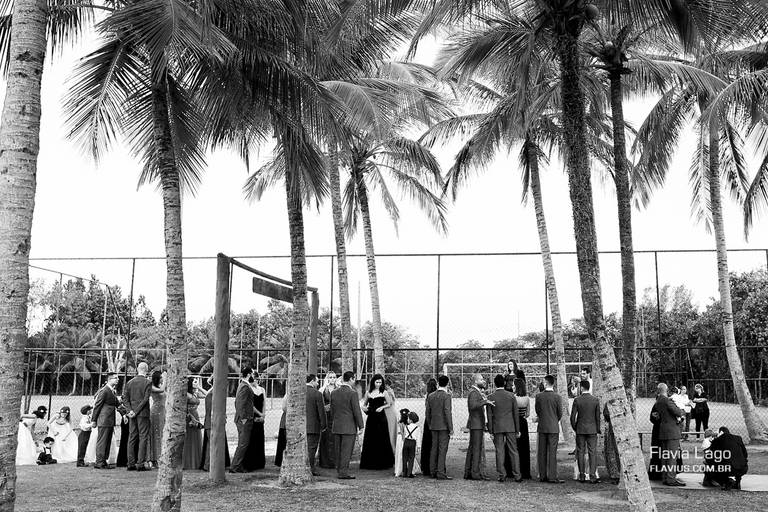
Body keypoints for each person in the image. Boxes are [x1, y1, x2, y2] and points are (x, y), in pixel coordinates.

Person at [330, 371, 365, 479]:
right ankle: (343, 473)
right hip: (349, 427)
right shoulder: (352, 393)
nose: (354, 381)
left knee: (338, 450)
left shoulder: (334, 392)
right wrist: (361, 425)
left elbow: (332, 410)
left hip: (337, 425)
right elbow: (356, 411)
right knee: (346, 451)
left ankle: (339, 470)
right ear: (351, 379)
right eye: (354, 379)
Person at [487, 374, 521, 482]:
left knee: (499, 450)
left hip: (497, 427)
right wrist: (517, 429)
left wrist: (490, 431)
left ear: (495, 383)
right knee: (513, 451)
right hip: (510, 426)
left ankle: (502, 474)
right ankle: (517, 475)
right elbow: (516, 414)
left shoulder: (490, 397)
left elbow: (489, 416)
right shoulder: (511, 396)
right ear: (504, 383)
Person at [360, 373, 395, 470]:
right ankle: (369, 463)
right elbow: (364, 404)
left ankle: (383, 462)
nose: (379, 384)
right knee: (371, 438)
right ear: (373, 382)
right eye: (377, 382)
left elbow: (389, 403)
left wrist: (381, 407)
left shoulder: (384, 392)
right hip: (371, 417)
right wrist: (364, 408)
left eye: (380, 382)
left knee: (382, 437)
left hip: (381, 417)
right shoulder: (368, 392)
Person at [123, 361, 152, 471]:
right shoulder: (147, 382)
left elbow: (125, 398)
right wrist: (135, 411)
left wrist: (130, 410)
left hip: (132, 414)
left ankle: (130, 463)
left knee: (132, 437)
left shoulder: (130, 382)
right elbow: (145, 399)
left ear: (138, 369)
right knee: (143, 437)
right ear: (146, 369)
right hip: (142, 413)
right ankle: (140, 463)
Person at [655, 383, 686, 486]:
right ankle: (671, 479)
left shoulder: (658, 401)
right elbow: (678, 412)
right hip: (672, 431)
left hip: (663, 430)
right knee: (672, 456)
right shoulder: (667, 400)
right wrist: (682, 410)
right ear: (666, 389)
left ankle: (665, 477)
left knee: (665, 456)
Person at [570, 379, 600, 483]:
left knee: (580, 452)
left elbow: (572, 417)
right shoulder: (595, 400)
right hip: (592, 429)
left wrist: (575, 427)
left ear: (582, 387)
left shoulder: (577, 400)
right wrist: (598, 428)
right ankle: (592, 475)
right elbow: (597, 417)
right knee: (592, 452)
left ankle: (582, 475)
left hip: (580, 429)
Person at [464, 373, 493, 481]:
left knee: (473, 448)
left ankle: (469, 472)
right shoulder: (473, 393)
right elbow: (472, 406)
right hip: (476, 425)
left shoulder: (477, 392)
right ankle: (475, 473)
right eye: (481, 379)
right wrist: (485, 402)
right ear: (476, 381)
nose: (483, 381)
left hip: (477, 424)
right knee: (476, 449)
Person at [535, 374, 563, 483]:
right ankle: (552, 476)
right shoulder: (557, 397)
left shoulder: (539, 396)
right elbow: (559, 413)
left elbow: (538, 411)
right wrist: (554, 420)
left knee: (542, 452)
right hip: (553, 427)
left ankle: (542, 475)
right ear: (553, 383)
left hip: (542, 426)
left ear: (545, 383)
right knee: (552, 452)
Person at [425, 374, 453, 480]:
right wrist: (450, 428)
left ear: (438, 383)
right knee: (442, 450)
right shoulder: (447, 396)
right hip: (444, 427)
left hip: (434, 425)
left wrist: (430, 424)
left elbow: (427, 412)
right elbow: (447, 412)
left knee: (434, 449)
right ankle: (440, 472)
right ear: (447, 383)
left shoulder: (431, 396)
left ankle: (432, 471)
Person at [201, 376, 232, 471]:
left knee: (214, 444)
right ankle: (208, 465)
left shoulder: (214, 393)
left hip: (214, 422)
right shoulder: (211, 394)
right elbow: (211, 411)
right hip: (211, 423)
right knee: (211, 444)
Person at [230, 366, 256, 473]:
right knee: (243, 443)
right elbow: (239, 403)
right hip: (243, 420)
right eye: (253, 374)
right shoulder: (245, 387)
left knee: (243, 443)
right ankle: (235, 466)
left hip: (243, 419)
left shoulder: (243, 385)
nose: (254, 377)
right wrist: (244, 418)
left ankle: (238, 465)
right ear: (249, 374)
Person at [92, 372, 119, 469]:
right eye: (115, 378)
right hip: (104, 420)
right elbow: (97, 406)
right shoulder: (104, 391)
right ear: (109, 380)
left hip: (110, 420)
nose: (117, 379)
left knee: (107, 441)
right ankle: (99, 462)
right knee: (102, 441)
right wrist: (94, 420)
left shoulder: (112, 391)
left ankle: (103, 461)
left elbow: (117, 403)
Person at [306, 374, 327, 475]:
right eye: (317, 381)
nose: (317, 383)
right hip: (313, 427)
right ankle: (310, 469)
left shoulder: (298, 392)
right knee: (311, 448)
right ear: (312, 381)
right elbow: (321, 412)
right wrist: (324, 425)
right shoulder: (317, 394)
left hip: (300, 427)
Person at [243, 374, 265, 471]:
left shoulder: (262, 389)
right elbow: (250, 405)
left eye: (258, 379)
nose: (256, 380)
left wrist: (263, 414)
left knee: (260, 437)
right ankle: (251, 462)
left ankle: (259, 462)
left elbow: (264, 402)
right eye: (255, 379)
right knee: (252, 437)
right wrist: (259, 414)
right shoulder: (249, 389)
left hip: (261, 415)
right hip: (253, 415)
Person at [512, 377, 532, 479]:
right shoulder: (527, 398)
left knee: (514, 447)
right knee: (524, 448)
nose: (512, 386)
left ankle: (514, 470)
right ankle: (525, 471)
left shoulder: (513, 398)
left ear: (517, 386)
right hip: (523, 423)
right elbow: (528, 414)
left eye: (513, 385)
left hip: (514, 423)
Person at [183, 377, 204, 470]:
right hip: (189, 418)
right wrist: (191, 417)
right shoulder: (186, 394)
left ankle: (196, 461)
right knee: (189, 439)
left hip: (196, 415)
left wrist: (199, 387)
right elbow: (183, 407)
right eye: (195, 381)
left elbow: (207, 394)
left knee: (196, 438)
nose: (196, 382)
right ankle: (188, 462)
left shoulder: (194, 393)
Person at [318, 372, 338, 469]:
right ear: (327, 379)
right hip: (326, 416)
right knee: (325, 438)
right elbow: (318, 403)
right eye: (330, 377)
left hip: (335, 416)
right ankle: (324, 462)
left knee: (334, 439)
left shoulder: (338, 389)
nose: (332, 379)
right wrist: (324, 407)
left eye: (334, 377)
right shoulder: (322, 390)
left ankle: (334, 461)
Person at [419, 378, 437, 477]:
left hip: (427, 422)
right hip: (434, 421)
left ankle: (426, 467)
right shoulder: (434, 396)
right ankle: (433, 466)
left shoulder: (428, 396)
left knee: (426, 445)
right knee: (433, 444)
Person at [149, 370, 166, 468]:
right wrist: (166, 379)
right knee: (156, 435)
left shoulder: (160, 386)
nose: (162, 378)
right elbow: (162, 391)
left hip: (163, 411)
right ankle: (155, 458)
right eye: (161, 377)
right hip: (155, 412)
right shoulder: (152, 387)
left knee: (162, 434)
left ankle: (161, 458)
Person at [396, 410, 420, 478]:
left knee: (404, 457)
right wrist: (418, 447)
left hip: (406, 442)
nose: (407, 419)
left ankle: (404, 472)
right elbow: (418, 438)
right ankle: (410, 473)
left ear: (411, 420)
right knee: (411, 458)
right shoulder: (417, 428)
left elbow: (405, 434)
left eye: (408, 418)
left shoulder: (406, 427)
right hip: (413, 442)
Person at [602, 402, 621, 485]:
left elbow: (606, 415)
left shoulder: (609, 403)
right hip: (622, 429)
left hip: (613, 429)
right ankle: (619, 472)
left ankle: (615, 474)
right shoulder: (624, 401)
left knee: (612, 450)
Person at [384, 379, 398, 454]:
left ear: (387, 385)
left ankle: (391, 449)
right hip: (390, 412)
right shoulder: (390, 391)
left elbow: (389, 402)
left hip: (389, 413)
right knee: (390, 431)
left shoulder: (388, 392)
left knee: (390, 431)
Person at [274, 399, 287, 467]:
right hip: (285, 421)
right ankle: (281, 461)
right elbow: (284, 408)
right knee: (283, 442)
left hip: (285, 421)